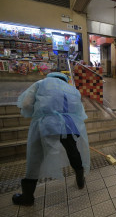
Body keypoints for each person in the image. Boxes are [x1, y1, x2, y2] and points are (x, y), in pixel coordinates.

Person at [12, 72, 90, 206]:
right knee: (73, 151)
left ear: (50, 77)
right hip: (69, 124)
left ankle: (28, 197)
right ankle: (80, 180)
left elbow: (25, 104)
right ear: (65, 80)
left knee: (35, 156)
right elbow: (79, 111)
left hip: (45, 123)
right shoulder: (73, 90)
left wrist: (37, 113)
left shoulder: (41, 83)